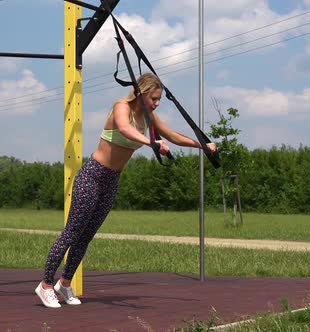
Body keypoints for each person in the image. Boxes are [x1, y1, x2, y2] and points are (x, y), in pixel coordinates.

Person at [35, 73, 217, 308]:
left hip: (111, 181)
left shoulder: (148, 117)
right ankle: (46, 285)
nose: (157, 103)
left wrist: (202, 145)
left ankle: (64, 283)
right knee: (71, 233)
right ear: (141, 93)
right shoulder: (122, 107)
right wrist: (151, 142)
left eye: (159, 99)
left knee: (86, 236)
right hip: (91, 176)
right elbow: (124, 129)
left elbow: (171, 135)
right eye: (154, 98)